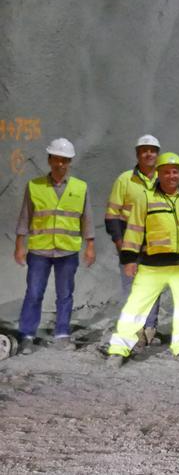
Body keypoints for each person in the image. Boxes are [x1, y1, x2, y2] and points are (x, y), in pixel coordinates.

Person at [106, 153, 179, 366]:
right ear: (159, 174)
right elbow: (134, 230)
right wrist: (130, 260)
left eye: (175, 171)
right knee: (135, 308)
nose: (172, 175)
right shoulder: (145, 198)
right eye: (167, 171)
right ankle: (119, 348)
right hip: (153, 266)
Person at [13, 138, 95, 354]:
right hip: (39, 250)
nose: (60, 164)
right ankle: (27, 334)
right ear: (49, 160)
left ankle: (62, 333)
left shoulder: (80, 187)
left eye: (65, 160)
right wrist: (20, 245)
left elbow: (86, 218)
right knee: (34, 293)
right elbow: (25, 217)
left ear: (70, 162)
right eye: (56, 159)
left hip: (67, 251)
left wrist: (90, 245)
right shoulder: (34, 186)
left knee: (65, 294)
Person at [105, 134, 162, 349]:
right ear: (137, 154)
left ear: (157, 154)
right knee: (131, 290)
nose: (149, 154)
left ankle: (150, 329)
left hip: (156, 247)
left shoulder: (163, 181)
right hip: (130, 247)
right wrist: (120, 243)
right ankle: (135, 331)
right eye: (144, 150)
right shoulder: (125, 180)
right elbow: (112, 214)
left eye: (152, 150)